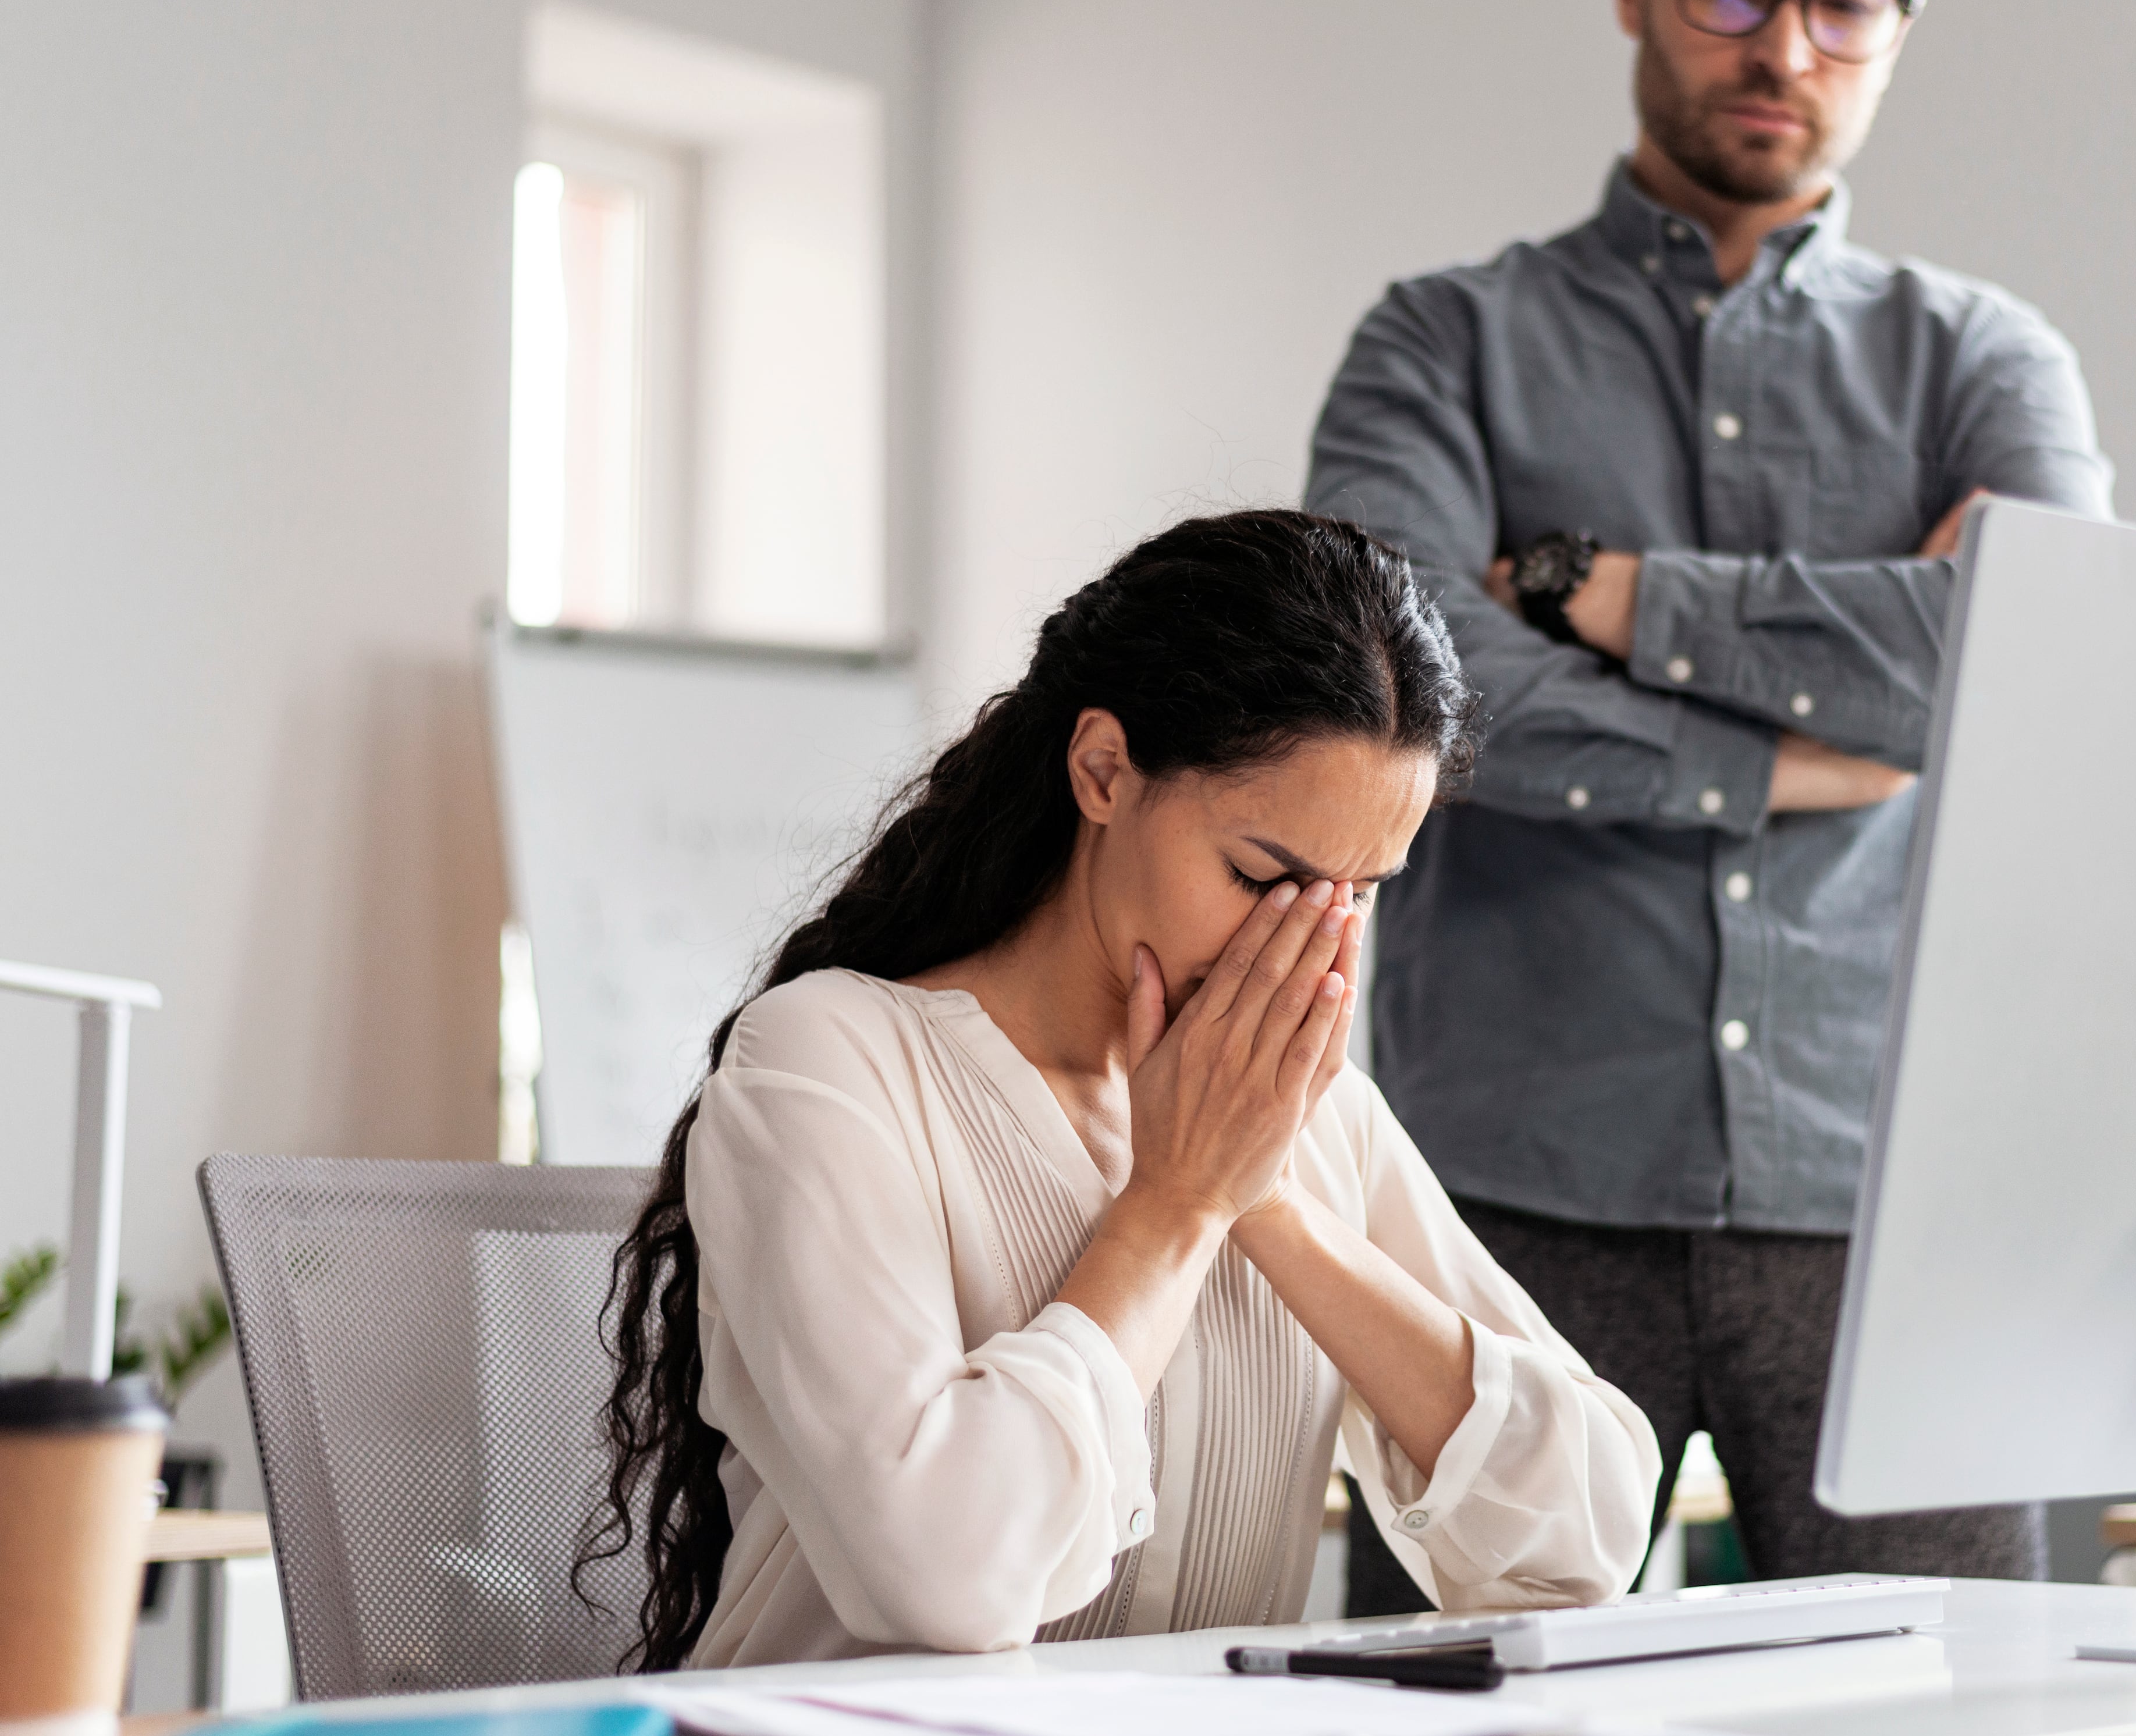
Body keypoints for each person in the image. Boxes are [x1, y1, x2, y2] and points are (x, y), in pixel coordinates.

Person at [1304, 0, 2113, 1607]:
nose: (1785, 45)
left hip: (1890, 1204)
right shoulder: (1440, 345)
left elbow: (2046, 672)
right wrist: (1795, 759)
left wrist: (1604, 591)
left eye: (1847, 3)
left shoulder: (1987, 362)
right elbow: (1397, 693)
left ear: (1902, 20)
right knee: (1460, 1723)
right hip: (1507, 1200)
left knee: (1974, 1725)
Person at [584, 510, 1661, 1668]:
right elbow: (945, 1573)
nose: (1310, 948)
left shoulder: (1306, 1112)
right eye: (1266, 875)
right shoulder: (826, 1062)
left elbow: (1586, 1537)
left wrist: (1270, 1207)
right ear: (1103, 770)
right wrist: (1178, 1203)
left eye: (1359, 893)